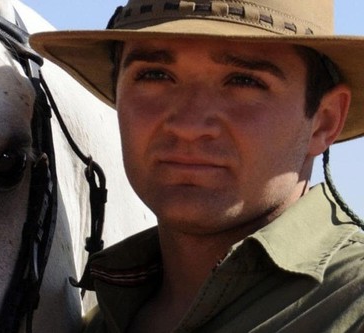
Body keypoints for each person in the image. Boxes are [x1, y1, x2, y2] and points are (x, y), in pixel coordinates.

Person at [30, 0, 364, 332]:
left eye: (244, 81)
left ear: (323, 121)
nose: (189, 124)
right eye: (155, 75)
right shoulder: (93, 321)